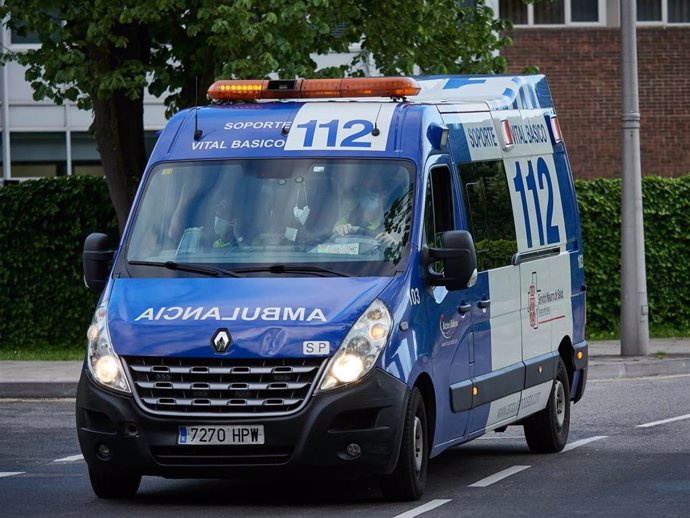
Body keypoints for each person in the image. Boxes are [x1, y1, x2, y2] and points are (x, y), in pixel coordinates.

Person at [332, 175, 401, 248]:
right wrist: (339, 232)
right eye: (364, 189)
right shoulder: (344, 221)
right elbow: (329, 248)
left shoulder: (393, 225)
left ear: (384, 194)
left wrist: (392, 243)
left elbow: (402, 252)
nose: (367, 192)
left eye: (372, 188)